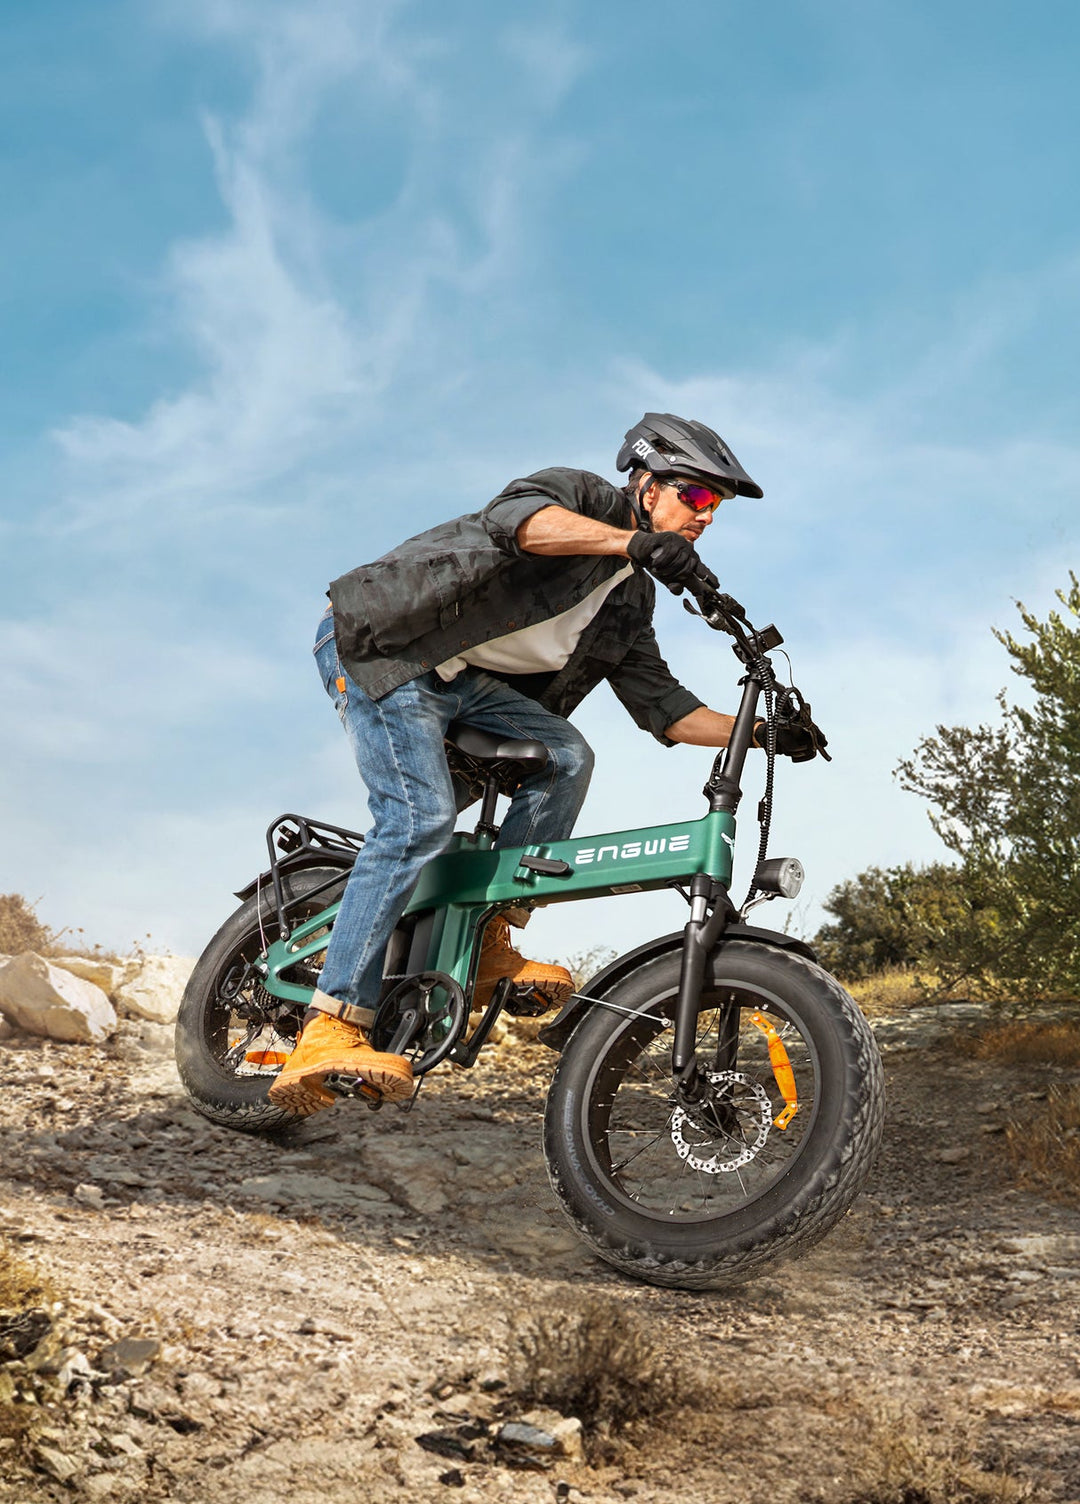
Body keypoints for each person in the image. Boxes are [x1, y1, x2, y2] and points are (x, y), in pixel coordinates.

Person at [269, 413, 807, 1116]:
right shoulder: (579, 498)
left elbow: (667, 710)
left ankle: (493, 936)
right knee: (418, 816)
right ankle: (330, 1025)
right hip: (390, 650)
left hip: (463, 684)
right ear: (645, 481)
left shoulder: (630, 599)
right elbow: (519, 524)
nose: (706, 517)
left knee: (566, 754)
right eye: (696, 497)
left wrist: (766, 730)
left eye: (716, 508)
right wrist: (632, 541)